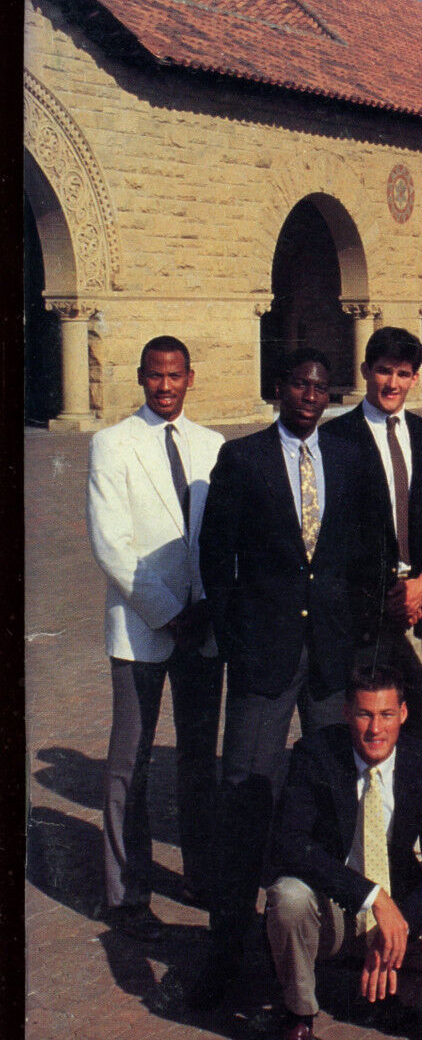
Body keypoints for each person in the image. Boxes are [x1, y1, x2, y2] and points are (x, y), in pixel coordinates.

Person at [194, 347, 386, 1003]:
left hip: (333, 657)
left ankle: (328, 940)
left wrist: (361, 637)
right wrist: (238, 640)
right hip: (265, 657)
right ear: (279, 389)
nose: (310, 394)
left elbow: (372, 549)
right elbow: (216, 561)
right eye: (299, 384)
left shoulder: (350, 457)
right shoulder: (242, 460)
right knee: (246, 792)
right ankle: (226, 950)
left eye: (320, 386)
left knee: (337, 792)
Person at [263, 664, 422, 1040]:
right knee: (287, 899)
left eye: (385, 714)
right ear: (346, 713)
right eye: (364, 714)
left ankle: (403, 996)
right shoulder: (315, 754)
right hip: (336, 905)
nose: (374, 729)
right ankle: (299, 1016)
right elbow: (290, 844)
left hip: (399, 905)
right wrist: (372, 897)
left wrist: (401, 919)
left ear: (403, 713)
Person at [86, 335, 224, 937]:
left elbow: (218, 539)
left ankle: (201, 873)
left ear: (190, 378)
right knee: (131, 762)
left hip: (203, 633)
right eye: (154, 377)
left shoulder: (214, 447)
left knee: (199, 761)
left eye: (174, 376)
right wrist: (170, 614)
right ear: (141, 378)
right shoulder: (111, 445)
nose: (164, 387)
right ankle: (126, 893)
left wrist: (208, 611)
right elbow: (111, 545)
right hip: (143, 629)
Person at [320, 326, 422, 740]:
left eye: (403, 373)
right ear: (365, 370)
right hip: (361, 612)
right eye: (383, 370)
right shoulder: (333, 438)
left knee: (416, 720)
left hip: (420, 604)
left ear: (415, 377)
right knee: (365, 725)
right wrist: (385, 596)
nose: (392, 383)